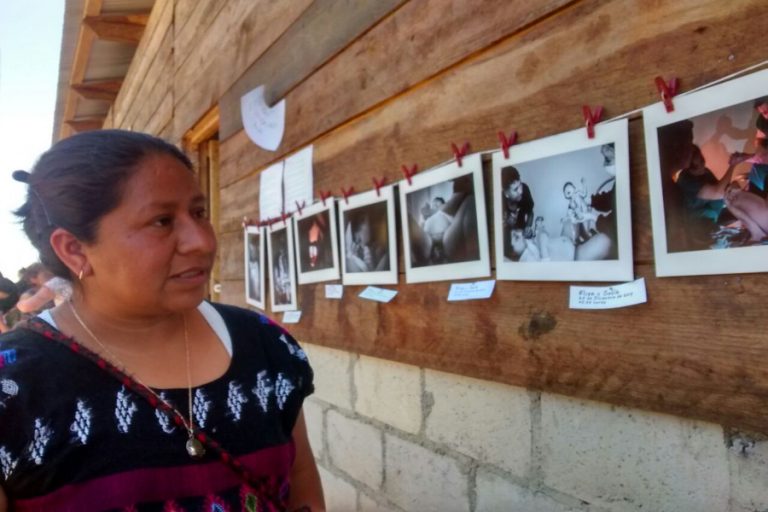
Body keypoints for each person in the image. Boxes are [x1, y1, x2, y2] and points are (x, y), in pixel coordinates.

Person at [0, 130, 324, 511]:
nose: (201, 241)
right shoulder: (14, 386)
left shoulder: (265, 344)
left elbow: (301, 483)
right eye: (162, 221)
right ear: (74, 249)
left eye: (199, 212)